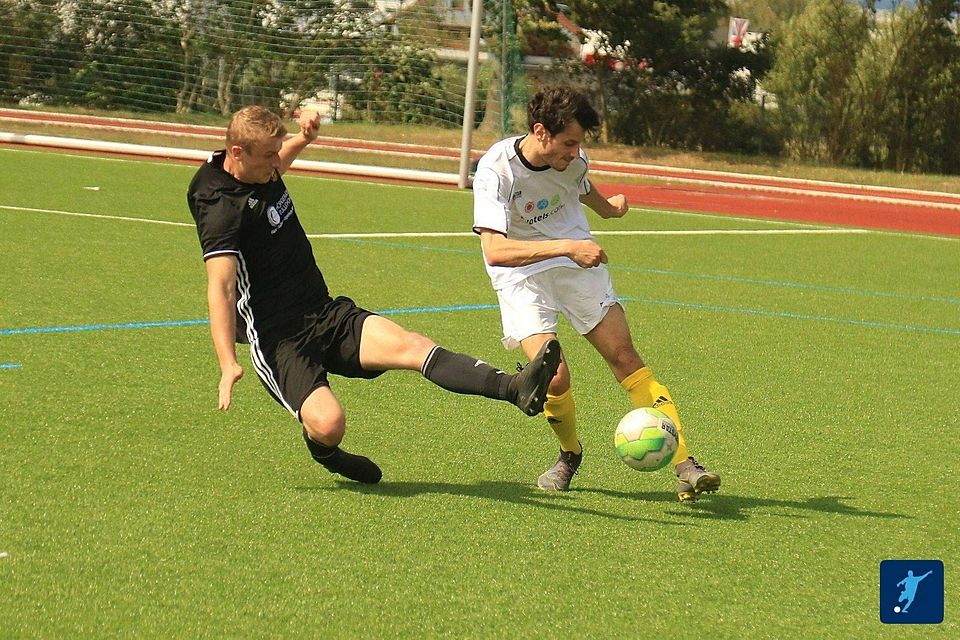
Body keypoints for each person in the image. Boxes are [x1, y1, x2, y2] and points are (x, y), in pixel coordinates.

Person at [187, 105, 560, 484]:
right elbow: (221, 286)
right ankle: (326, 452)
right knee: (330, 423)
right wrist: (227, 362)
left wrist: (302, 139)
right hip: (279, 339)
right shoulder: (219, 206)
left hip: (324, 310)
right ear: (237, 153)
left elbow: (275, 163)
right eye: (269, 156)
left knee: (413, 346)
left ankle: (513, 388)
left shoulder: (256, 164)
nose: (275, 164)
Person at [471, 85, 721, 502]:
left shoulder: (573, 160)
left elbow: (582, 188)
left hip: (576, 265)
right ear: (541, 131)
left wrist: (610, 209)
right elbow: (495, 251)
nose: (576, 152)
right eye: (569, 142)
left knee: (625, 357)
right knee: (554, 376)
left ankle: (684, 463)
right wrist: (568, 246)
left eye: (579, 144)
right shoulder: (496, 169)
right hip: (521, 274)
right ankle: (569, 454)